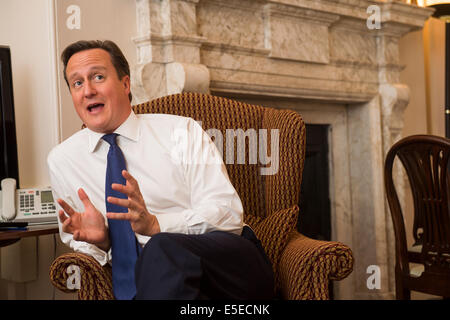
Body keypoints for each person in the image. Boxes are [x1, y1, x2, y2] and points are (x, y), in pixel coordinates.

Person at [47, 39, 274, 300]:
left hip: (228, 268)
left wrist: (156, 225)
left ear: (125, 84)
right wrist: (103, 241)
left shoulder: (181, 131)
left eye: (98, 77)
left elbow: (228, 215)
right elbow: (82, 245)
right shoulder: (62, 160)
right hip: (163, 287)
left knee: (160, 247)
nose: (87, 90)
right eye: (77, 83)